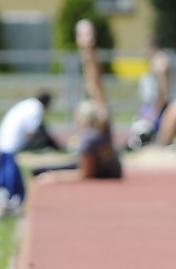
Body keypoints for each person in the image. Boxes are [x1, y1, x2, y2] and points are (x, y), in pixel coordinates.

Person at [35, 19, 122, 181]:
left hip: (101, 173)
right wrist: (87, 51)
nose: (76, 120)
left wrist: (55, 178)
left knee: (42, 172)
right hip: (100, 168)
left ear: (86, 120)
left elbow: (85, 175)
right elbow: (94, 85)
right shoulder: (101, 129)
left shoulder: (92, 136)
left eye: (78, 117)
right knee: (39, 170)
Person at [128, 35, 172, 149]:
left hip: (157, 104)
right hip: (153, 103)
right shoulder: (156, 61)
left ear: (153, 46)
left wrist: (155, 111)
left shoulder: (161, 63)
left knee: (151, 133)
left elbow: (162, 90)